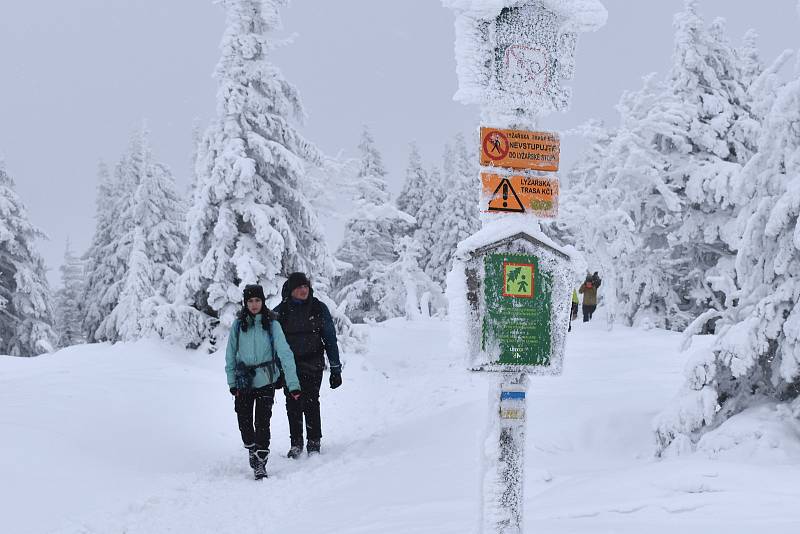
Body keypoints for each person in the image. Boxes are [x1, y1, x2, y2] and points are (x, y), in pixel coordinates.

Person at [226, 284, 301, 480]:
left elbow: (285, 353)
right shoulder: (238, 325)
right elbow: (230, 355)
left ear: (263, 301)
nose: (254, 304)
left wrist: (293, 384)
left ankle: (260, 461)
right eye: (250, 301)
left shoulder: (272, 324)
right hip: (243, 380)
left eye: (257, 300)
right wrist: (231, 381)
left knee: (262, 421)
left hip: (266, 380)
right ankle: (251, 447)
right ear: (245, 303)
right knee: (244, 421)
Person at [274, 272, 342, 458]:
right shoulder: (280, 312)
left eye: (305, 286)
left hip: (313, 363)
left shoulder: (318, 308)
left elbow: (330, 339)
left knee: (312, 401)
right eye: (298, 287)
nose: (303, 290)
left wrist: (335, 368)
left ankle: (314, 442)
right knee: (293, 403)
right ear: (291, 291)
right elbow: (274, 345)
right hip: (290, 367)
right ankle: (296, 443)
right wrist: (277, 372)